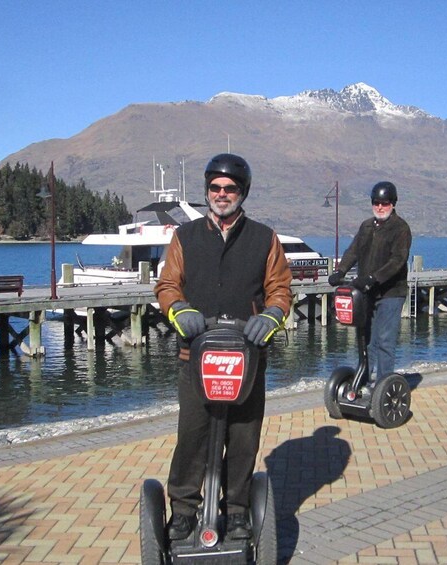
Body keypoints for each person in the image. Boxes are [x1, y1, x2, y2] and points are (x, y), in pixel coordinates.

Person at [155, 153, 292, 541]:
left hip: (246, 358)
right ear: (207, 191)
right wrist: (178, 309)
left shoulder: (264, 238)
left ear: (242, 192)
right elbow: (167, 285)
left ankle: (235, 510)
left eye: (230, 188)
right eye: (215, 187)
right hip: (196, 356)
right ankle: (182, 509)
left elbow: (280, 289)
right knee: (193, 435)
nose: (221, 194)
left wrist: (270, 316)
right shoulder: (185, 237)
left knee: (244, 436)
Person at [327, 181, 412, 380]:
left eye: (385, 203)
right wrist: (340, 271)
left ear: (393, 204)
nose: (380, 207)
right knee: (365, 339)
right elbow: (353, 251)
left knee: (384, 340)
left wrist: (374, 278)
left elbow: (397, 261)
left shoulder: (400, 228)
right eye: (376, 203)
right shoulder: (366, 226)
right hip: (367, 292)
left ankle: (384, 384)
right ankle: (363, 380)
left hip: (391, 293)